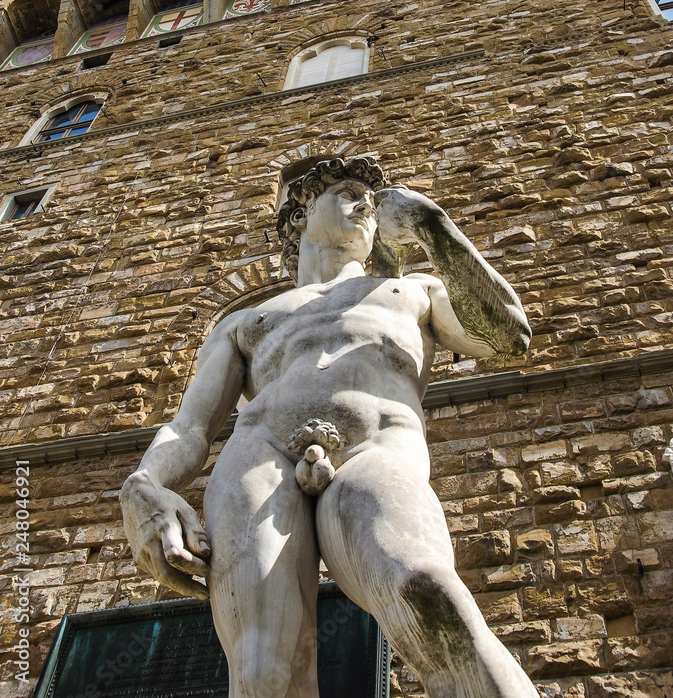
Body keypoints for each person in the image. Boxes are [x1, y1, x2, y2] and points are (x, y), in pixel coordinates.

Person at [121, 156, 539, 698]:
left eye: (373, 195)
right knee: (262, 669)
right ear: (298, 215)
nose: (368, 203)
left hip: (376, 450)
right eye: (347, 191)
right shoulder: (247, 320)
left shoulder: (413, 291)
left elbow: (510, 338)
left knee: (426, 592)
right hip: (259, 454)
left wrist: (433, 226)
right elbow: (190, 427)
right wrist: (143, 485)